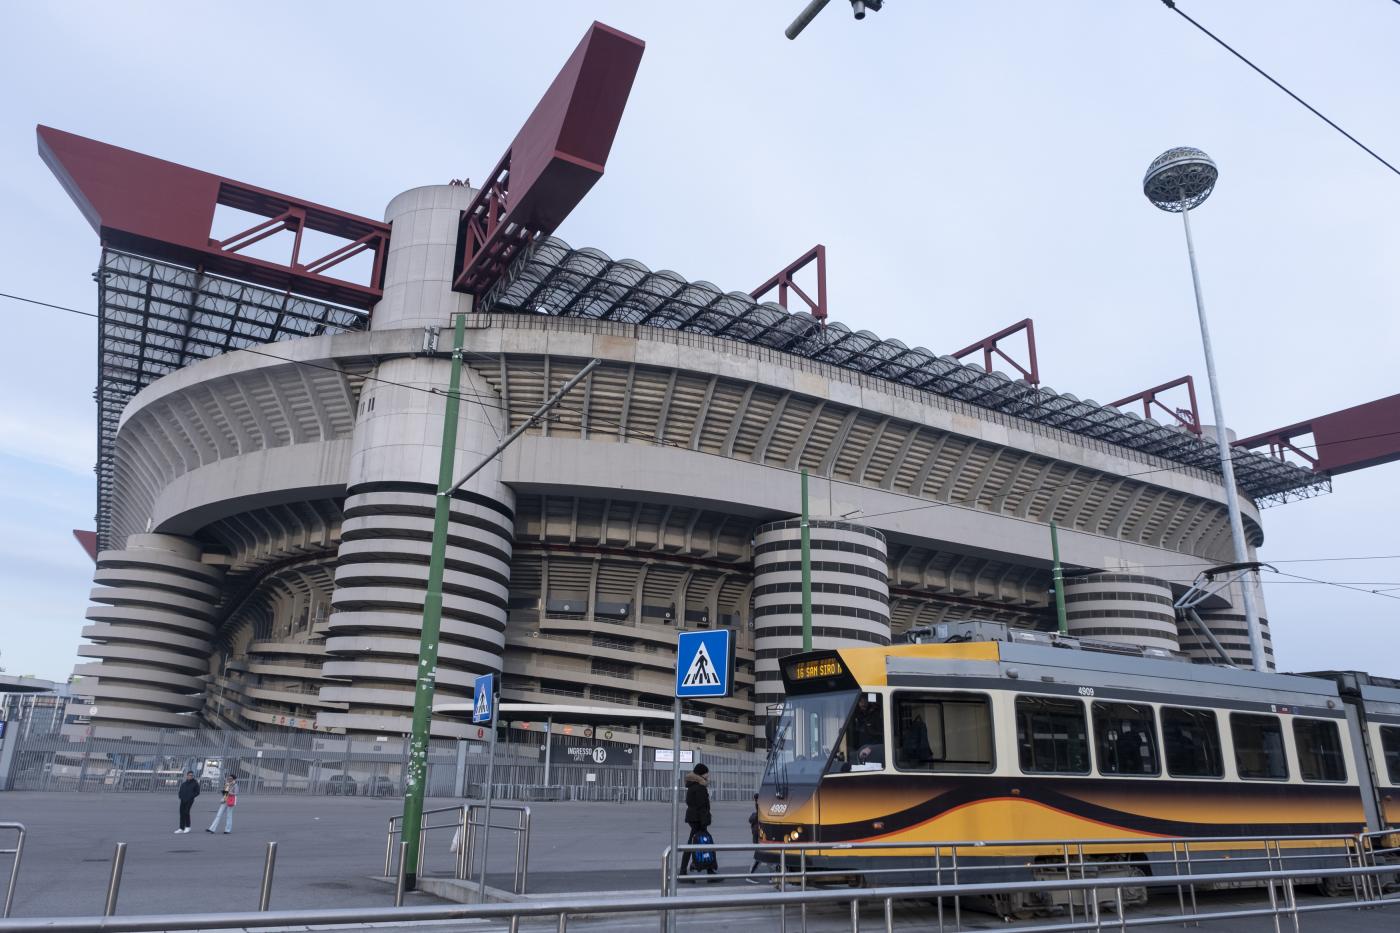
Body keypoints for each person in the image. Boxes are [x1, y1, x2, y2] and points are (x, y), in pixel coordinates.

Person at [680, 763, 717, 878]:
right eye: (706, 773)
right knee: (703, 843)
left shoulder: (692, 785)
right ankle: (686, 870)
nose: (708, 775)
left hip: (694, 818)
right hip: (698, 820)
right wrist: (705, 822)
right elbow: (702, 807)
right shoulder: (700, 788)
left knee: (695, 843)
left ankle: (700, 867)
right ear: (702, 774)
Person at [746, 793, 763, 883]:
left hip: (759, 834)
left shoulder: (759, 812)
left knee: (766, 857)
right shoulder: (759, 813)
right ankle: (750, 875)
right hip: (759, 835)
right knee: (760, 856)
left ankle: (775, 877)